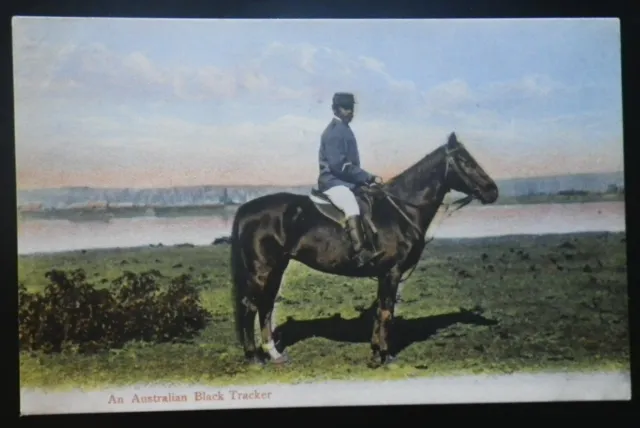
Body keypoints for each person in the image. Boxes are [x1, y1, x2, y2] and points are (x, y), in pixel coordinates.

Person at [317, 92, 385, 267]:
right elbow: (339, 166)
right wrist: (368, 177)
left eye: (351, 108)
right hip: (332, 181)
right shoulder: (333, 132)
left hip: (345, 181)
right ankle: (359, 252)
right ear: (335, 109)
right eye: (345, 108)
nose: (350, 112)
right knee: (350, 204)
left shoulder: (344, 129)